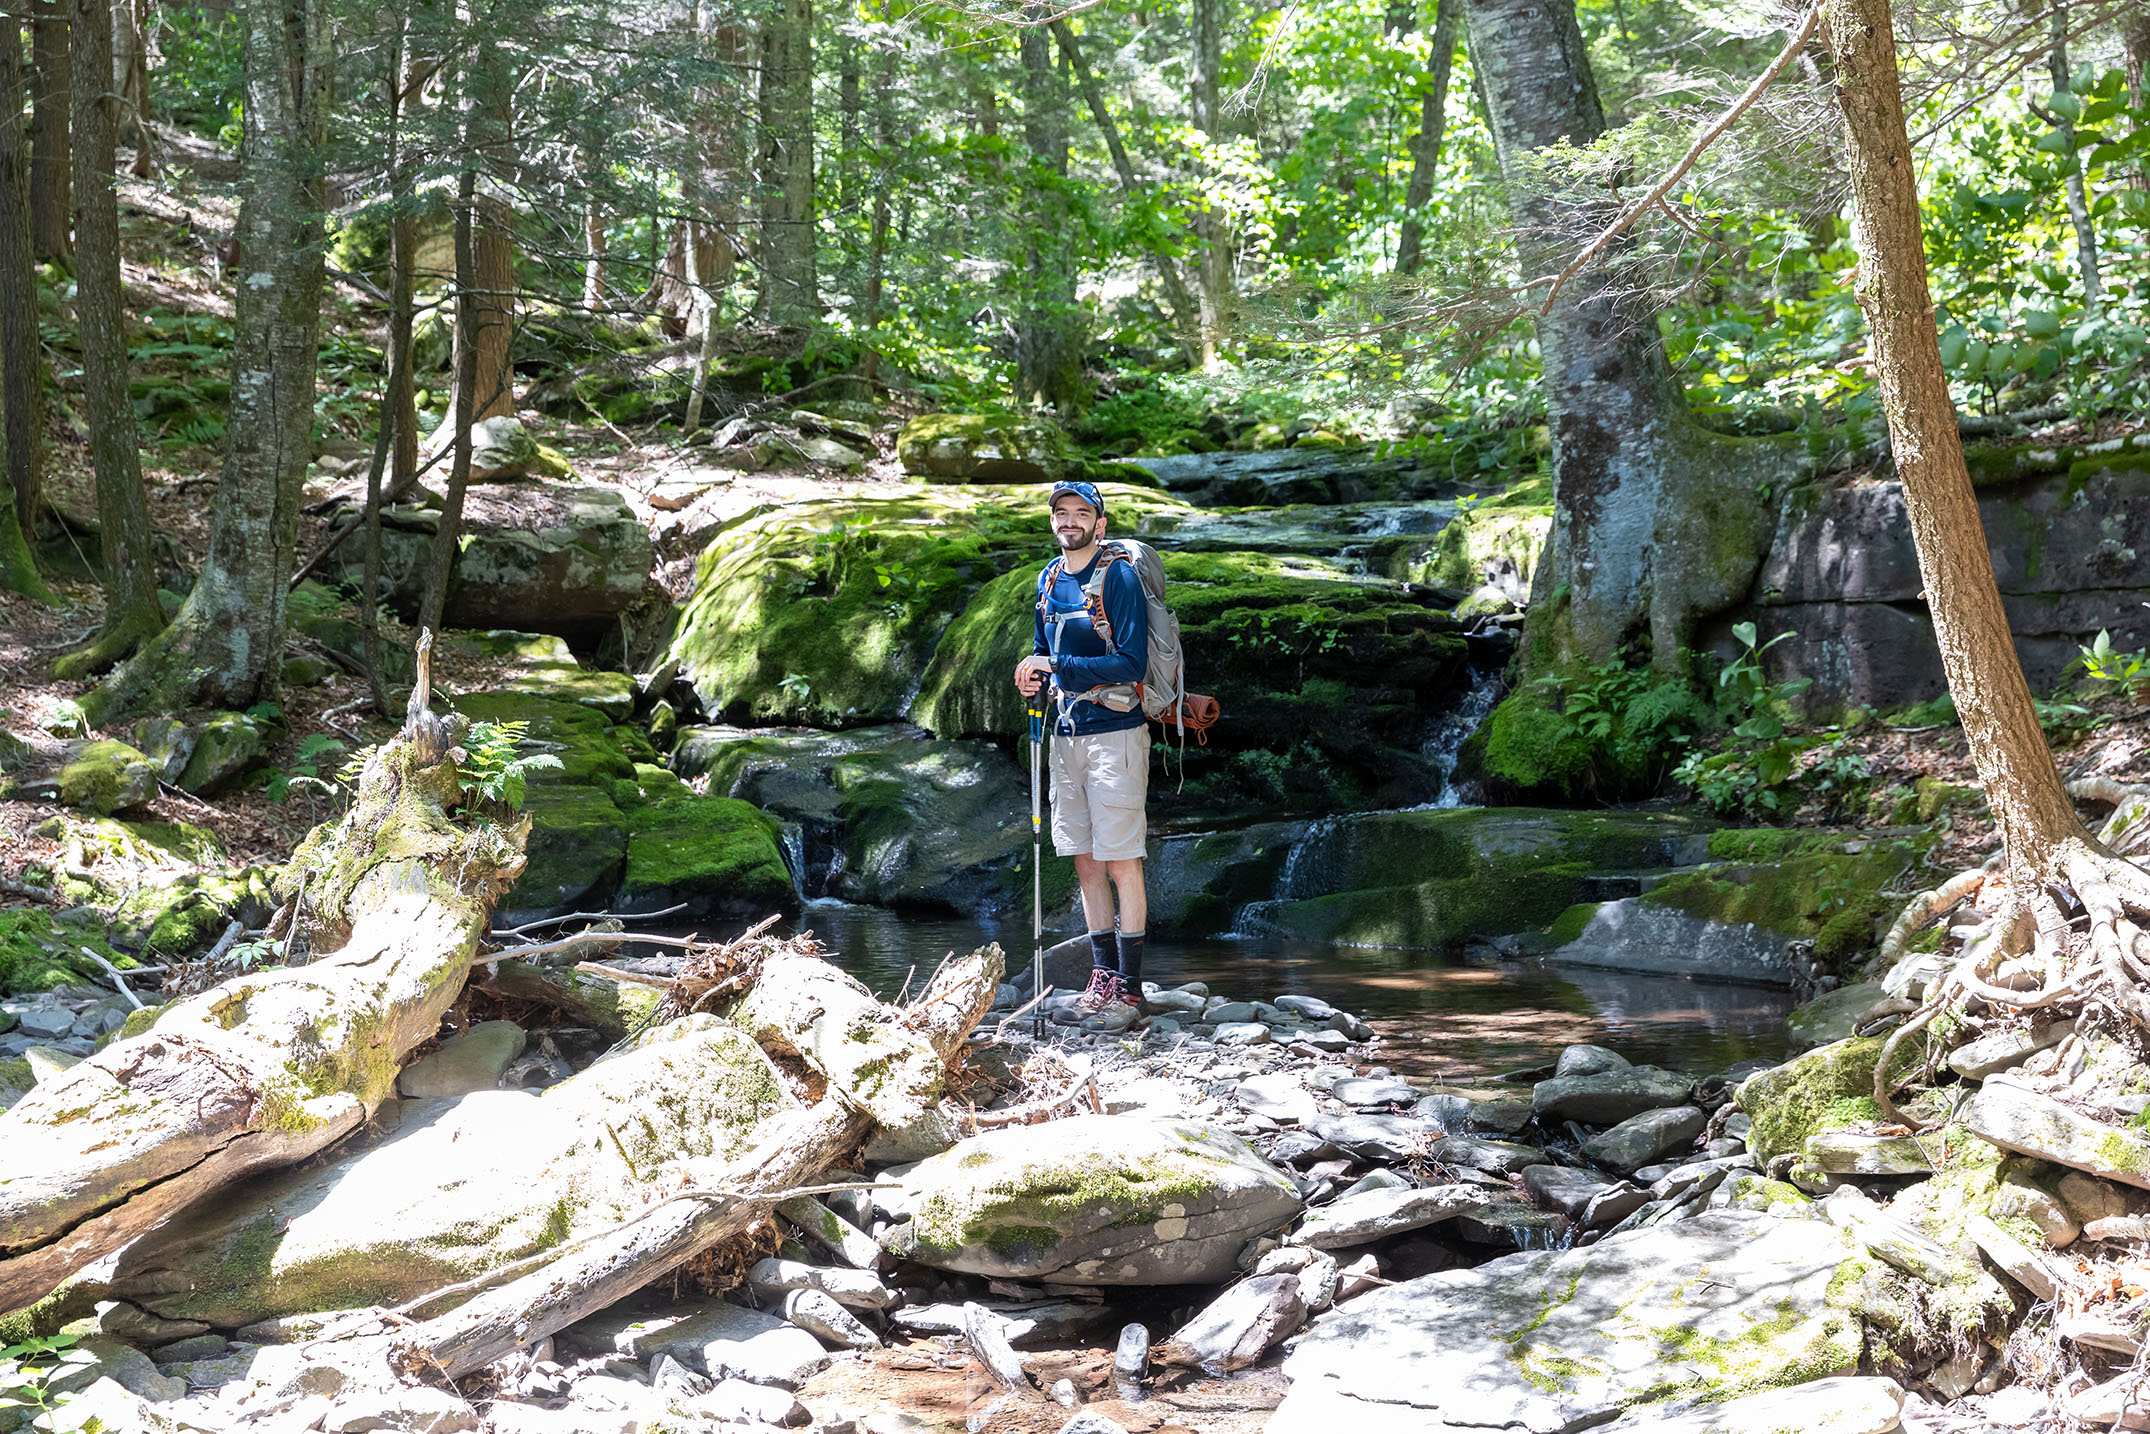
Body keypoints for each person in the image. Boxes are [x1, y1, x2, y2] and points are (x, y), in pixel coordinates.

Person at [1013, 479, 1150, 1033]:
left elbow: (1132, 663)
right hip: (1065, 734)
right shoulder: (1048, 578)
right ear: (1052, 521)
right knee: (1086, 861)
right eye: (1061, 513)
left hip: (1115, 734)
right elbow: (1043, 652)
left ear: (1100, 522)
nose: (1070, 520)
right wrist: (1034, 676)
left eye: (1081, 513)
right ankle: (1101, 979)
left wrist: (1057, 668)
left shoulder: (1119, 577)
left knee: (1122, 861)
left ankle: (1131, 990)